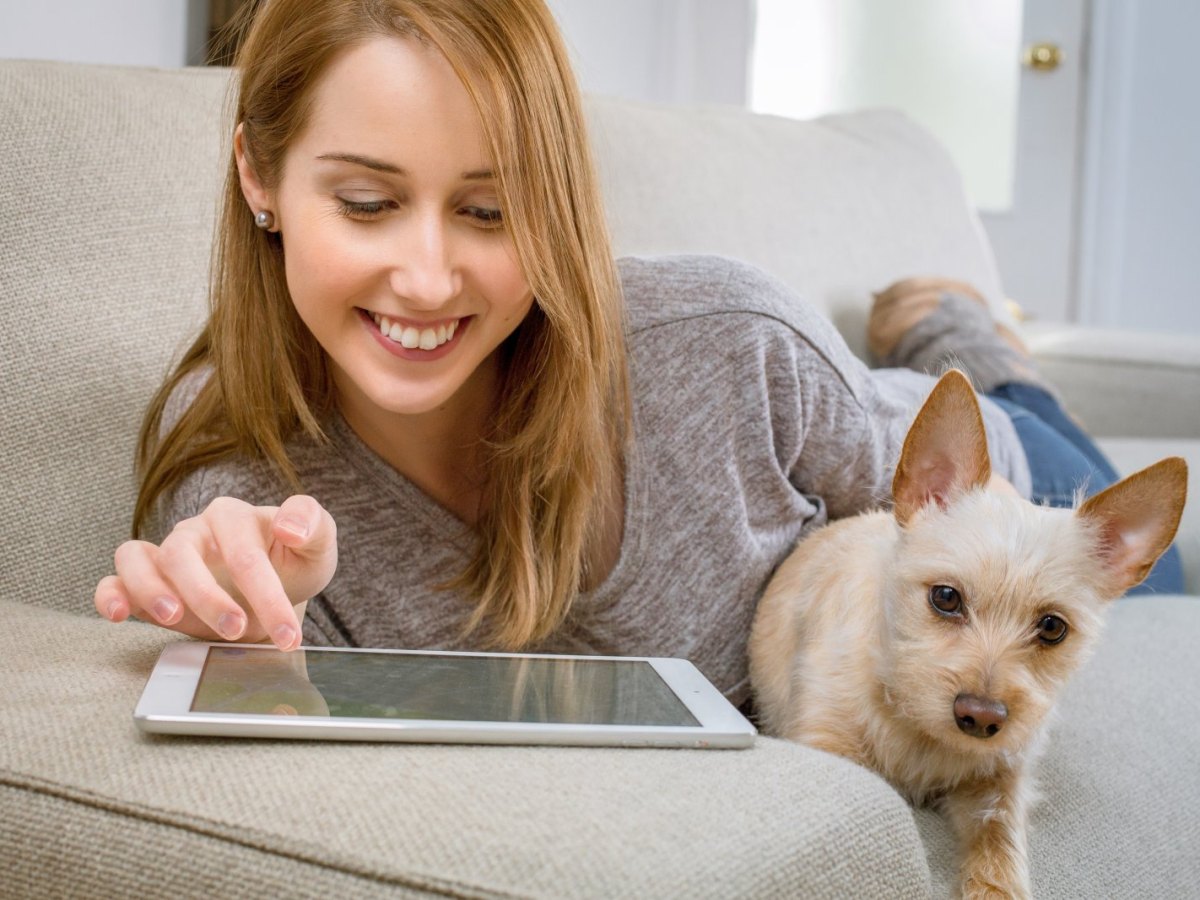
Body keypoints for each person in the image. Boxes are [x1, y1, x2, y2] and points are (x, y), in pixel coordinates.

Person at [92, 0, 1182, 710]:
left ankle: (967, 338)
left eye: (489, 210)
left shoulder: (727, 342)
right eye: (368, 203)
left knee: (1144, 545)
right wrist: (252, 654)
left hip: (996, 468)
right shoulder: (235, 514)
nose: (426, 278)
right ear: (259, 179)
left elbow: (969, 494)